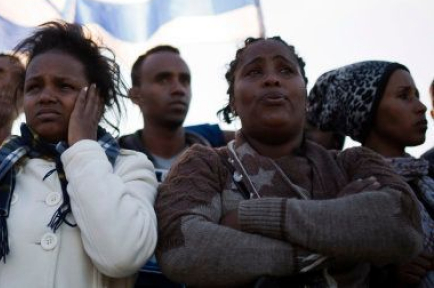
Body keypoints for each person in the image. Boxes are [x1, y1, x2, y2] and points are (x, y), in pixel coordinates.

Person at [156, 37, 422, 287]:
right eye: (254, 72)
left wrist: (248, 218)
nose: (272, 79)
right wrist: (339, 234)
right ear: (233, 102)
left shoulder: (354, 163)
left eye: (285, 70)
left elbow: (405, 226)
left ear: (305, 95)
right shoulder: (204, 164)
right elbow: (182, 248)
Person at [0, 21, 158, 288]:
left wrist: (83, 147)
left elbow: (122, 256)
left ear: (97, 99)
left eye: (64, 86)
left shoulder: (129, 168)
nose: (46, 96)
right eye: (34, 87)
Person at [308, 61, 433, 286]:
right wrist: (387, 274)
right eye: (404, 96)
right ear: (366, 111)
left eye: (417, 95)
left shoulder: (429, 173)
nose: (421, 107)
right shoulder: (357, 188)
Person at [122, 45, 230, 182]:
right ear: (135, 95)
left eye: (185, 80)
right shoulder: (113, 157)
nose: (179, 89)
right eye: (163, 80)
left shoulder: (218, 145)